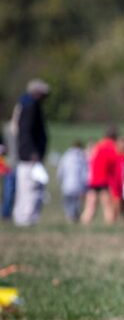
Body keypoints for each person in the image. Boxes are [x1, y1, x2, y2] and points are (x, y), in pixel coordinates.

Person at [13, 79, 50, 226]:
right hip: (30, 157)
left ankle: (22, 217)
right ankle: (26, 219)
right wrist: (33, 152)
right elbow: (26, 132)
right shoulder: (31, 106)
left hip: (26, 155)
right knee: (31, 188)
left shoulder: (25, 105)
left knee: (25, 188)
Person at [81, 126, 120, 225]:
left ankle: (84, 222)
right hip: (103, 180)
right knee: (107, 205)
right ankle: (110, 224)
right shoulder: (111, 146)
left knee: (90, 205)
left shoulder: (98, 145)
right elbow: (115, 161)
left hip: (93, 179)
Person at [56, 140, 88, 222]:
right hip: (79, 186)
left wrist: (60, 181)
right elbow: (85, 173)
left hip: (66, 185)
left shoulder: (66, 156)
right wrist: (85, 186)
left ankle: (70, 217)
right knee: (76, 204)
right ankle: (74, 218)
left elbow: (60, 171)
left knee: (68, 204)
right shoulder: (82, 157)